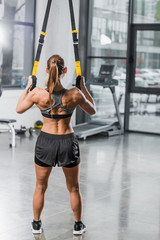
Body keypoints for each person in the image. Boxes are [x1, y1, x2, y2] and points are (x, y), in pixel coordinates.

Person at [16, 54, 96, 235]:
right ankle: (77, 225)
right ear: (64, 71)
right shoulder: (75, 94)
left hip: (46, 142)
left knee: (40, 187)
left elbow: (19, 108)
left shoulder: (37, 94)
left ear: (46, 70)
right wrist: (83, 87)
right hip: (67, 141)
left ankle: (36, 224)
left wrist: (28, 87)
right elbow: (93, 109)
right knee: (74, 188)